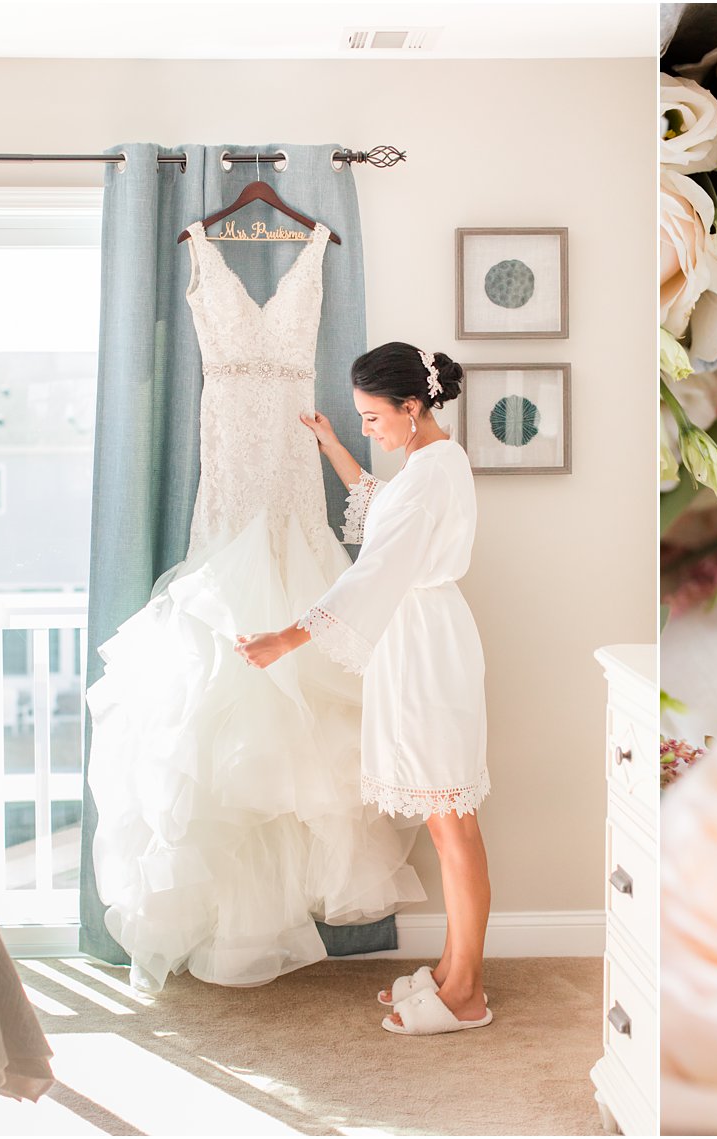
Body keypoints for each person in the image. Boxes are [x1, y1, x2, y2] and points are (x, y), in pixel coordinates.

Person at [236, 342, 493, 1036]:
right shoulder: (430, 463)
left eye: (373, 419)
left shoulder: (431, 476)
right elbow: (384, 512)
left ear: (413, 407)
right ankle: (449, 969)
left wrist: (286, 638)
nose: (368, 431)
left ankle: (466, 989)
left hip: (427, 649)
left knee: (453, 823)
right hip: (419, 642)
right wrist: (332, 447)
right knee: (447, 821)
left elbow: (373, 572)